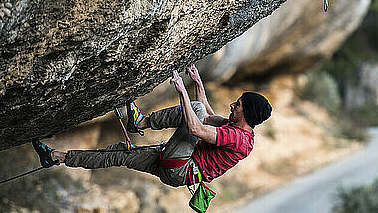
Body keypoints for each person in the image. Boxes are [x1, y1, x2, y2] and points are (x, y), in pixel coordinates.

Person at [32, 64, 272, 189]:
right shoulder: (237, 128)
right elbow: (209, 114)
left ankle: (141, 122)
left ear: (247, 113)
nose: (232, 105)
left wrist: (182, 92)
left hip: (180, 167)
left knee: (194, 111)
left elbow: (197, 128)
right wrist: (197, 82)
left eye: (238, 105)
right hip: (176, 166)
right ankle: (57, 157)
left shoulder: (238, 139)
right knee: (119, 154)